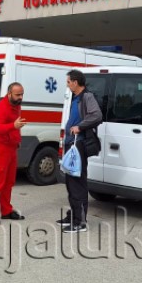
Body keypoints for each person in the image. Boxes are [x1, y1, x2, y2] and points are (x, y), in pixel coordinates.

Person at [59, 69, 103, 233]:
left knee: (77, 182)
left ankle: (80, 222)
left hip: (79, 144)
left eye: (68, 82)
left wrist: (80, 126)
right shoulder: (75, 97)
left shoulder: (87, 97)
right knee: (71, 182)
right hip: (71, 144)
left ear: (75, 82)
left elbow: (97, 116)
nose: (67, 85)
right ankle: (73, 215)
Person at [0, 82, 28, 226]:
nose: (20, 97)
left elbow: (15, 126)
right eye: (18, 94)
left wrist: (17, 139)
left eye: (22, 94)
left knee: (9, 182)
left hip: (11, 148)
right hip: (0, 148)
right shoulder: (1, 108)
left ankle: (6, 211)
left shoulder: (16, 105)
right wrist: (13, 126)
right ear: (9, 94)